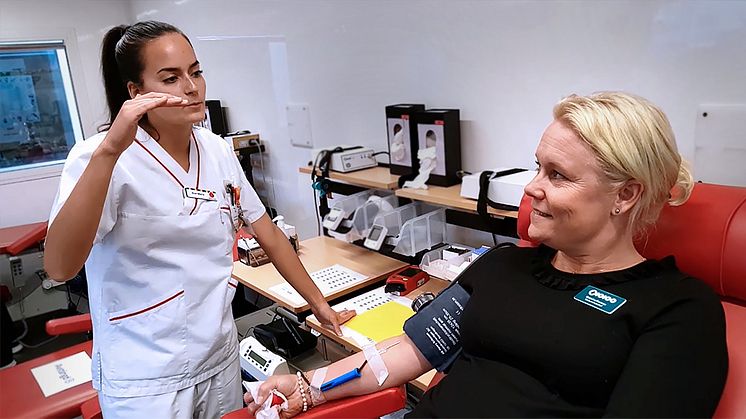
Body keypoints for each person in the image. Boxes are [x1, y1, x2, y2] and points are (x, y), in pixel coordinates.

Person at [246, 92, 728, 418]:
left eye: (557, 175)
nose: (532, 188)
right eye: (538, 167)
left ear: (625, 195)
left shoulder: (677, 309)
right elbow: (414, 349)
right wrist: (311, 385)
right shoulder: (503, 265)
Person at [43, 21, 354, 418]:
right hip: (145, 378)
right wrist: (109, 151)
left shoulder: (217, 151)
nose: (191, 87)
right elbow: (58, 266)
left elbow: (269, 235)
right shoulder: (97, 158)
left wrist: (319, 305)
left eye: (196, 72)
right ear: (136, 93)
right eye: (171, 78)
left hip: (218, 359)